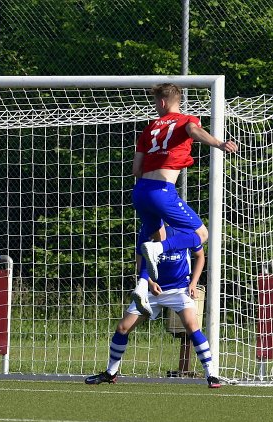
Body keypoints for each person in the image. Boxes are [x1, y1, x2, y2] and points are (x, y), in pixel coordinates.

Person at [85, 224, 222, 388]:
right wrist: (149, 283)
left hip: (179, 290)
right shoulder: (147, 228)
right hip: (152, 291)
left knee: (192, 326)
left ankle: (211, 375)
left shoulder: (184, 228)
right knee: (122, 327)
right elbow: (140, 258)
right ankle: (111, 373)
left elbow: (200, 256)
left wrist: (193, 282)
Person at [132, 83, 238, 282]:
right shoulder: (186, 120)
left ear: (162, 103)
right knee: (202, 234)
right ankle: (158, 249)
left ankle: (142, 285)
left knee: (156, 236)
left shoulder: (149, 129)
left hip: (140, 192)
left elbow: (135, 170)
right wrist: (219, 144)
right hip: (161, 191)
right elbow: (194, 131)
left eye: (155, 103)